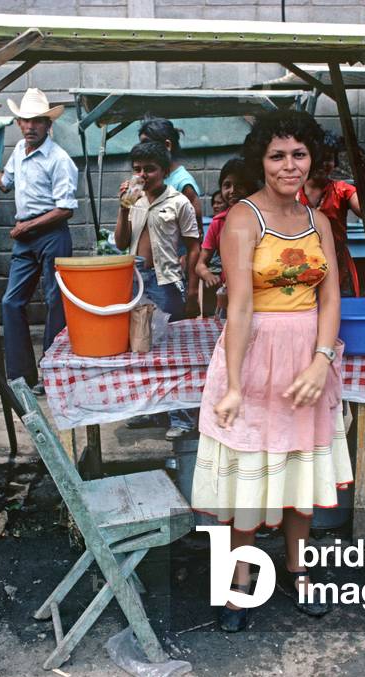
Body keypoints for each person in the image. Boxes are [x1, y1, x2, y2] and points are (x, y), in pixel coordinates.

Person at [191, 110, 351, 631]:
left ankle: (299, 570)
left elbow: (331, 297)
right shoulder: (243, 218)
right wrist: (234, 385)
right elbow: (238, 307)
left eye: (299, 155)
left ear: (312, 160)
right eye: (277, 155)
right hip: (255, 358)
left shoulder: (319, 222)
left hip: (308, 359)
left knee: (299, 471)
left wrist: (322, 361)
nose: (289, 166)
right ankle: (242, 581)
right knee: (251, 478)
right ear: (261, 161)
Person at [0, 89, 78, 394]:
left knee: (55, 302)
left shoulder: (59, 159)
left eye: (36, 121)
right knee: (11, 302)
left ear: (47, 125)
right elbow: (4, 183)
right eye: (25, 121)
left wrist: (29, 226)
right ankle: (21, 375)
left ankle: (52, 375)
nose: (30, 127)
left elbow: (65, 209)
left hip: (51, 234)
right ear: (19, 123)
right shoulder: (19, 153)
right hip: (25, 238)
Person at [115, 141, 200, 440]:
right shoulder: (133, 200)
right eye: (137, 169)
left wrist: (192, 291)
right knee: (142, 347)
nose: (143, 175)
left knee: (171, 350)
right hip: (138, 279)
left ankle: (181, 417)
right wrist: (123, 208)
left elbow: (193, 246)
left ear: (164, 170)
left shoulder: (179, 202)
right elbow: (121, 241)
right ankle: (152, 410)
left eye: (149, 169)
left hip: (166, 281)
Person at [138, 117, 203, 315]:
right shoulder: (145, 178)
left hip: (171, 273)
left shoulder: (182, 183)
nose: (143, 149)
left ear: (167, 145)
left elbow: (196, 234)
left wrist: (191, 291)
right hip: (144, 273)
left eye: (147, 143)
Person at [297, 132, 362, 296]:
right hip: (299, 266)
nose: (322, 164)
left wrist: (364, 175)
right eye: (317, 158)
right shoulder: (292, 192)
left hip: (337, 267)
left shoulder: (342, 190)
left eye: (328, 158)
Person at [196, 158, 257, 317]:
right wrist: (207, 275)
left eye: (239, 185)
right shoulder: (218, 223)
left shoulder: (262, 219)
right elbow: (200, 264)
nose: (232, 191)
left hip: (261, 297)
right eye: (227, 185)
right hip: (230, 297)